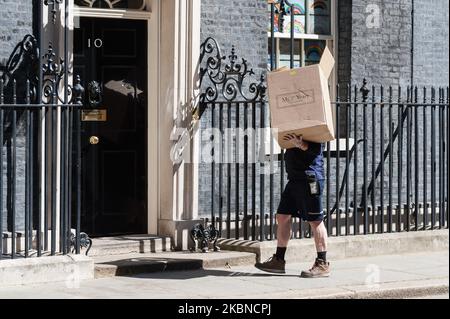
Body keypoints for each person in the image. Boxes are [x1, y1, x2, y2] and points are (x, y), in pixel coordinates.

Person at [255, 134, 330, 278]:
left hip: (310, 178)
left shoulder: (314, 124)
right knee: (282, 217)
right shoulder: (294, 123)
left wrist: (301, 144)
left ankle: (322, 264)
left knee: (315, 221)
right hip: (294, 179)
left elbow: (317, 148)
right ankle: (279, 260)